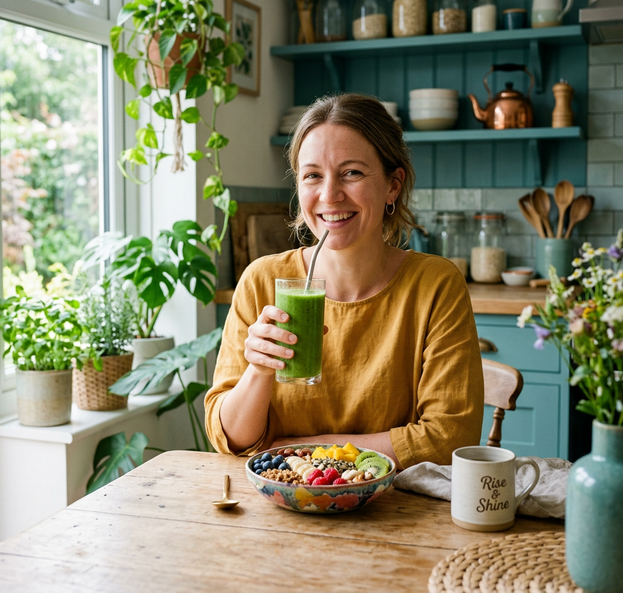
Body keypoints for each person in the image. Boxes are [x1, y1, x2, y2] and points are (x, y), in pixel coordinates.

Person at [205, 93, 483, 469]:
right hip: (282, 508)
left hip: (396, 513)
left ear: (392, 185)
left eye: (351, 172)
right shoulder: (263, 281)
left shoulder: (435, 286)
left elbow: (450, 438)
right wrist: (258, 370)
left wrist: (304, 448)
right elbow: (231, 441)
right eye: (312, 176)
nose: (329, 195)